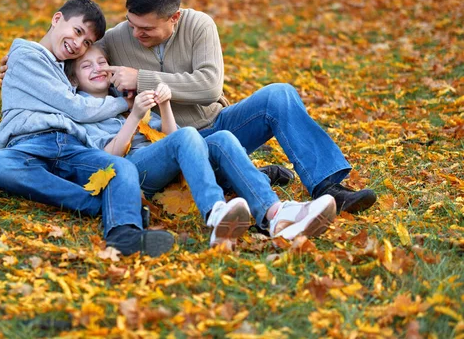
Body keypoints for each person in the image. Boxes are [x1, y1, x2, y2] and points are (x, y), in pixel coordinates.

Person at [98, 0, 377, 215]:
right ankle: (249, 177)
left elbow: (209, 86)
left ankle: (329, 186)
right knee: (213, 146)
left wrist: (141, 78)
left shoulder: (199, 25)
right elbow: (79, 62)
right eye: (131, 24)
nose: (135, 34)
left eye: (146, 29)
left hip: (219, 123)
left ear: (174, 18)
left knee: (279, 94)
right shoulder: (115, 38)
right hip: (172, 144)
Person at [65, 44, 338, 246]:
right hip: (133, 173)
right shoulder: (82, 112)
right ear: (74, 79)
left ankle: (274, 213)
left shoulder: (126, 97)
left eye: (101, 62)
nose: (98, 68)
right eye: (87, 66)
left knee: (222, 138)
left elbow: (173, 138)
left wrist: (165, 106)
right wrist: (135, 117)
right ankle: (215, 211)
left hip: (163, 164)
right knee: (190, 136)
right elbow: (108, 157)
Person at [0, 0, 175, 258]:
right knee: (1, 165)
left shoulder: (66, 66)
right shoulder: (27, 55)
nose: (78, 44)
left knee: (120, 167)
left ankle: (125, 234)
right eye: (77, 31)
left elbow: (92, 76)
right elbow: (75, 107)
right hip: (27, 146)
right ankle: (100, 204)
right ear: (56, 19)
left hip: (70, 143)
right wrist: (124, 102)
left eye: (86, 41)